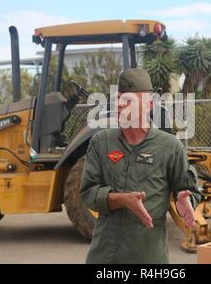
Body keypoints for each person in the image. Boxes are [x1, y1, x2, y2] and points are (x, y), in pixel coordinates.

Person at [79, 68, 200, 264]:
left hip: (147, 258)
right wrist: (121, 199)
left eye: (128, 101)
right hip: (104, 256)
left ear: (148, 105)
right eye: (118, 99)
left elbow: (188, 191)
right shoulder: (101, 142)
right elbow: (87, 193)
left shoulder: (170, 147)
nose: (119, 105)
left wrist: (184, 201)